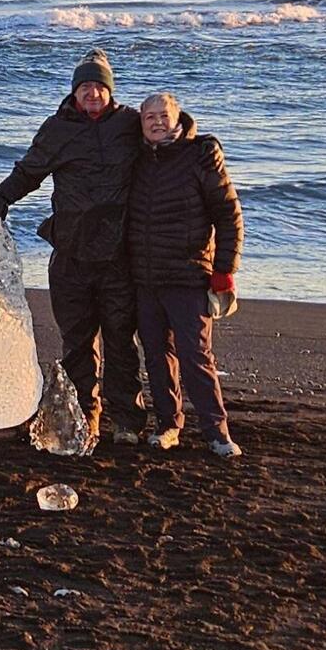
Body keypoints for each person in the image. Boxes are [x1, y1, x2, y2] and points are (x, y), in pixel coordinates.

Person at [0, 49, 146, 444]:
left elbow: (165, 143)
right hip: (71, 252)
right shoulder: (58, 129)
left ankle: (127, 421)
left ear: (110, 91)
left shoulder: (130, 124)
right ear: (74, 92)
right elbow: (29, 171)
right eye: (84, 86)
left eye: (99, 87)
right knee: (77, 344)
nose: (92, 93)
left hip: (118, 255)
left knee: (121, 341)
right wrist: (2, 195)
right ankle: (84, 419)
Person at [126, 91, 244, 458]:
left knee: (196, 356)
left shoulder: (200, 155)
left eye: (164, 115)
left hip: (189, 275)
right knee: (156, 356)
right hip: (145, 278)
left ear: (178, 119)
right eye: (150, 117)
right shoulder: (136, 158)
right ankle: (168, 426)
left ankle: (217, 433)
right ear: (141, 123)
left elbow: (229, 216)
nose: (157, 122)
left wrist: (224, 271)